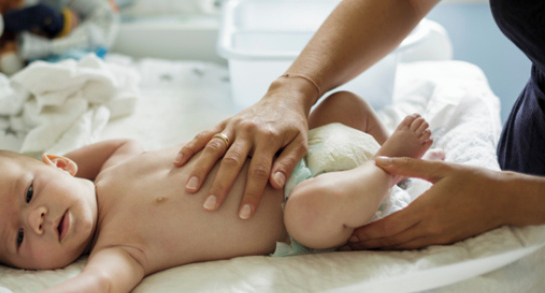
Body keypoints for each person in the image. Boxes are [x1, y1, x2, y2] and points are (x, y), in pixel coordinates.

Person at [0, 91, 433, 293]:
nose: (37, 216)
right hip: (307, 201)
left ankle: (383, 146)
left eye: (30, 193)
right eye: (20, 237)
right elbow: (92, 291)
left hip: (302, 149)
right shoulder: (120, 250)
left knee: (340, 105)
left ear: (60, 165)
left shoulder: (119, 159)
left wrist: (60, 169)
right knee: (310, 217)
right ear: (25, 269)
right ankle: (389, 167)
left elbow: (97, 152)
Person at [174, 0, 545, 250]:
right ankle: (393, 164)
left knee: (308, 214)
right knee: (344, 106)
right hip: (528, 153)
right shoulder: (117, 176)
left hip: (304, 205)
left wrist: (513, 199)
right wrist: (292, 90)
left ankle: (387, 169)